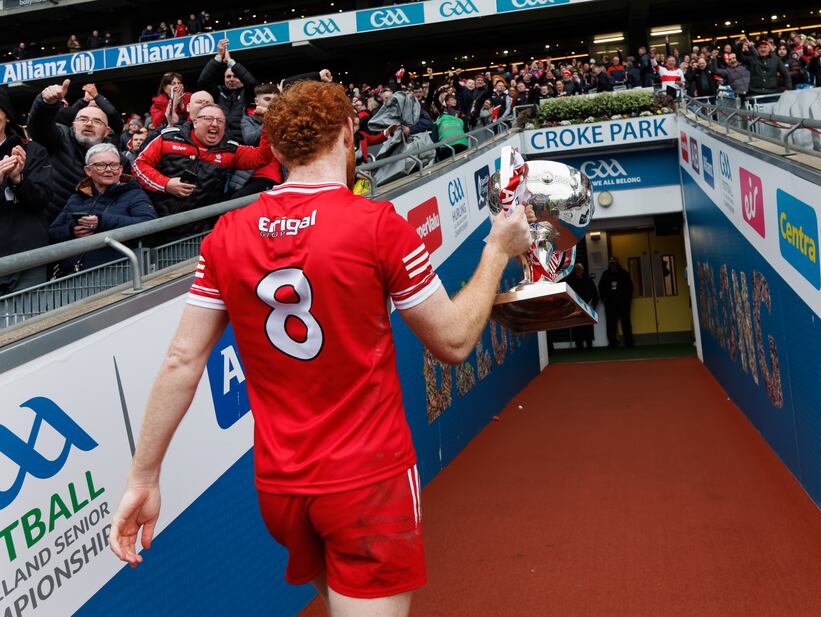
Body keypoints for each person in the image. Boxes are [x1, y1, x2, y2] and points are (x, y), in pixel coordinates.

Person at [108, 80, 532, 617]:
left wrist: (143, 476)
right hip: (365, 481)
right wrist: (496, 249)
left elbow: (182, 360)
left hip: (282, 488)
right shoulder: (378, 225)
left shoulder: (226, 235)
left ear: (277, 150)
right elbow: (452, 340)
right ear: (349, 134)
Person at [131, 103, 273, 218]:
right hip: (160, 224)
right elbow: (139, 165)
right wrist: (166, 184)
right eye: (209, 119)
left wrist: (268, 123)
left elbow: (263, 157)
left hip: (201, 229)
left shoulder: (230, 150)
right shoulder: (168, 137)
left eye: (220, 121)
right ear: (195, 122)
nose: (215, 124)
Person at [48, 143, 157, 272]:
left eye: (114, 165)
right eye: (100, 165)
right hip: (72, 277)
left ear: (121, 169)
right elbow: (53, 231)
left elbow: (149, 224)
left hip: (116, 274)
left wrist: (102, 222)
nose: (109, 169)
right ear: (88, 171)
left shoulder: (135, 194)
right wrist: (72, 230)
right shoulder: (77, 198)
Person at [27, 79, 114, 223]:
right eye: (82, 119)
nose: (88, 124)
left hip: (92, 232)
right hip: (49, 225)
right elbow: (39, 126)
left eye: (97, 121)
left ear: (107, 131)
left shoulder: (114, 156)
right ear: (73, 125)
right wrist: (45, 103)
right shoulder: (60, 137)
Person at [0, 89, 52, 294]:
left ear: (6, 115)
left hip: (26, 259)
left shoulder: (31, 150)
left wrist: (18, 181)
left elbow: (43, 199)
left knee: (31, 323)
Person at [198, 40, 258, 142]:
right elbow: (203, 81)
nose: (231, 79)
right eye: (228, 77)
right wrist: (219, 56)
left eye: (235, 76)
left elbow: (252, 83)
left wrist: (230, 61)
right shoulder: (218, 92)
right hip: (221, 143)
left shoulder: (247, 93)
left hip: (242, 144)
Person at [599, 258, 633, 348]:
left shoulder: (624, 273)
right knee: (611, 325)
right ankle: (612, 343)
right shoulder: (606, 274)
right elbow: (601, 287)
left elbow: (630, 287)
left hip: (623, 303)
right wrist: (604, 299)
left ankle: (629, 343)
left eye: (614, 263)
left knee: (626, 323)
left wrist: (627, 300)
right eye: (611, 263)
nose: (613, 265)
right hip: (610, 304)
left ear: (617, 263)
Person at [566, 263, 598, 349]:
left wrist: (593, 304)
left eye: (581, 270)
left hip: (588, 306)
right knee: (577, 327)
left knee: (588, 326)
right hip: (576, 307)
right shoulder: (571, 281)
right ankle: (578, 346)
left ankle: (589, 345)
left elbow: (594, 293)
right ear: (576, 271)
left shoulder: (588, 280)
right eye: (578, 270)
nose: (580, 272)